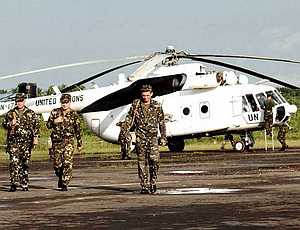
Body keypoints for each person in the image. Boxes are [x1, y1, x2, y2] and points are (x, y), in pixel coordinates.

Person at [124, 84, 167, 194]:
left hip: (153, 137)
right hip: (141, 137)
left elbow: (161, 122)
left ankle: (153, 181)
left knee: (155, 160)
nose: (145, 97)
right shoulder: (136, 105)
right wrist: (125, 131)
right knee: (142, 162)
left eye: (147, 95)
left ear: (151, 94)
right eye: (143, 95)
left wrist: (163, 137)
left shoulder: (157, 106)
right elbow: (129, 118)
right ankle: (144, 185)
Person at [2, 93, 40, 192]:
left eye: (21, 101)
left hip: (27, 143)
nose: (19, 103)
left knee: (25, 163)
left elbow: (36, 126)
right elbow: (4, 125)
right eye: (17, 101)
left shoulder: (30, 113)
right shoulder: (11, 113)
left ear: (24, 101)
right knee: (14, 163)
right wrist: (10, 123)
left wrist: (36, 137)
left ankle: (24, 183)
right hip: (14, 142)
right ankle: (14, 184)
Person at [47, 94, 82, 191]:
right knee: (57, 164)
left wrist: (79, 143)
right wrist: (54, 121)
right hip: (57, 142)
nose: (64, 104)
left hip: (68, 141)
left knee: (67, 162)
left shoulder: (74, 114)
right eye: (63, 102)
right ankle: (60, 175)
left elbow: (78, 129)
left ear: (70, 103)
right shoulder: (55, 112)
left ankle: (64, 183)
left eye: (66, 102)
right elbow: (48, 125)